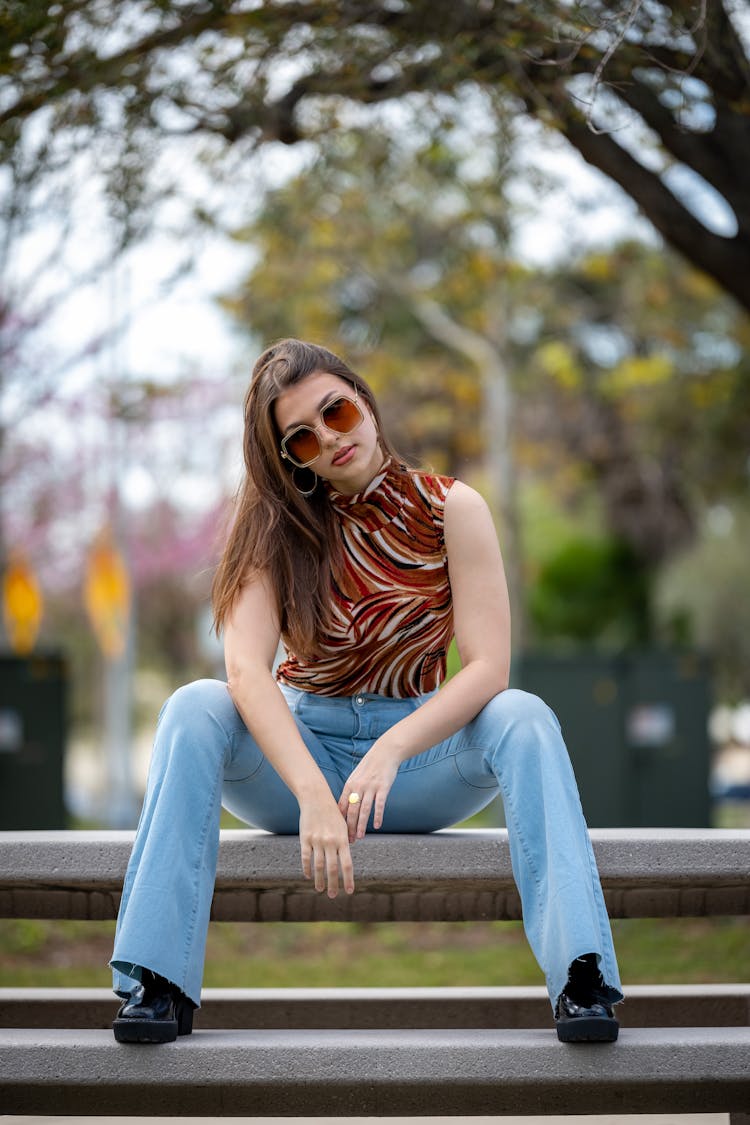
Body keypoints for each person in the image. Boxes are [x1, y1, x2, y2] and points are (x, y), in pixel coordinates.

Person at [110, 337, 623, 1045]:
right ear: (291, 457)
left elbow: (486, 668)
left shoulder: (453, 508)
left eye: (337, 411)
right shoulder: (271, 527)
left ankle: (581, 973)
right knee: (191, 704)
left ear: (366, 403)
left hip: (417, 761)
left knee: (524, 715)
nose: (328, 437)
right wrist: (315, 796)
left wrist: (391, 747)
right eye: (303, 437)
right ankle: (158, 980)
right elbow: (245, 675)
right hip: (301, 760)